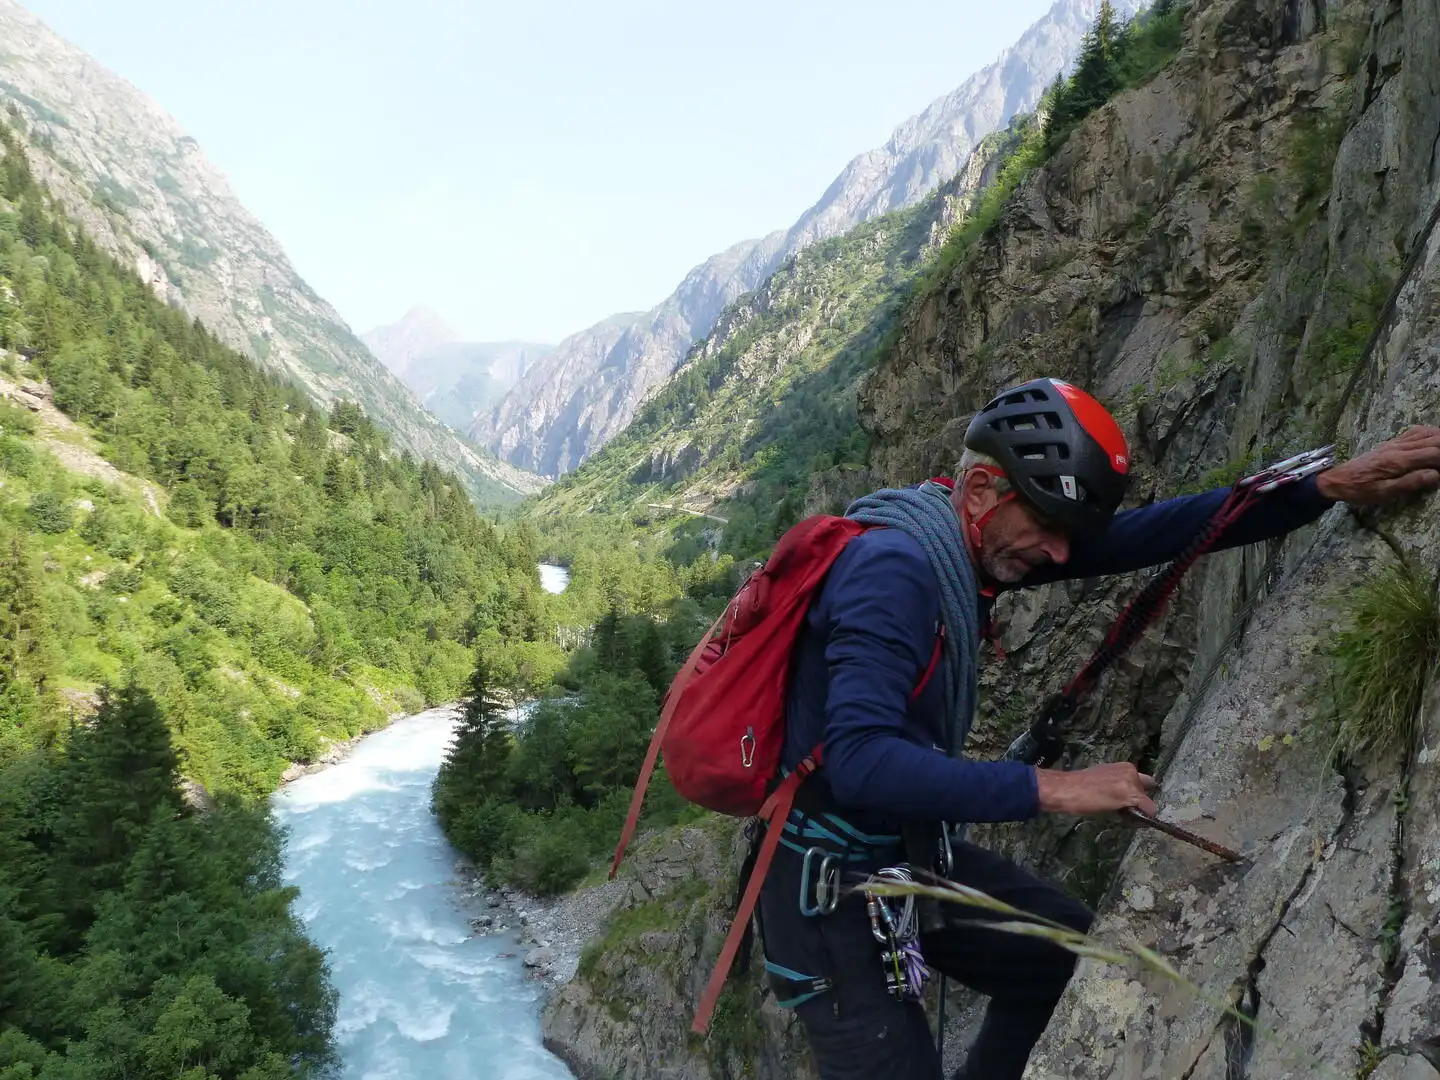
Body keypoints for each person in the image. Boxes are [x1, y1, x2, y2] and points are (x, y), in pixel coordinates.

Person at [753, 376, 1440, 1080]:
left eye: (1066, 534)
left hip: (899, 849)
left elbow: (1152, 536)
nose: (1057, 554)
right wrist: (1057, 788)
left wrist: (1322, 488)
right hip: (829, 891)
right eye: (1047, 528)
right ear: (984, 487)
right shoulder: (894, 571)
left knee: (1062, 955)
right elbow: (861, 761)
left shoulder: (965, 545)